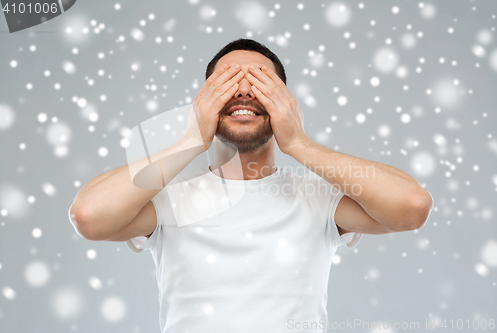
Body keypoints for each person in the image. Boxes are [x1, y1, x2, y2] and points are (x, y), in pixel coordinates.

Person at [69, 38, 434, 333]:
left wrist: (299, 144)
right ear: (204, 101)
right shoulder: (168, 198)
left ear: (285, 103)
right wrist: (191, 140)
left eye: (261, 83)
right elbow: (88, 215)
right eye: (226, 83)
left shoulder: (317, 198)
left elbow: (412, 206)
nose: (244, 92)